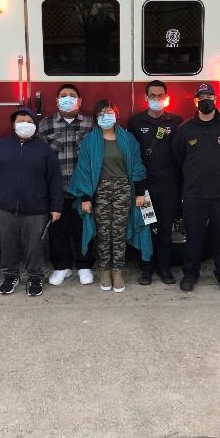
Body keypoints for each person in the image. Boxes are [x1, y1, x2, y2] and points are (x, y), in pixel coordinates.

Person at [68, 100, 152, 293]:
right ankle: (105, 270)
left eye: (109, 112)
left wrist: (139, 193)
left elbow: (138, 166)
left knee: (119, 232)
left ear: (116, 114)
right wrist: (86, 198)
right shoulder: (90, 140)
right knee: (104, 233)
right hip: (101, 191)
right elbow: (84, 170)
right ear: (97, 118)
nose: (106, 116)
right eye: (102, 113)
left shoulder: (128, 139)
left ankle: (118, 270)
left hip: (124, 189)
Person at [0, 107, 63, 297]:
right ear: (13, 124)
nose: (24, 125)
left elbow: (54, 180)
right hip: (4, 208)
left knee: (34, 245)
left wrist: (56, 206)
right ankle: (10, 276)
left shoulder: (44, 150)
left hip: (36, 209)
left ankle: (35, 277)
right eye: (20, 121)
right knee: (7, 244)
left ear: (35, 125)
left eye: (29, 121)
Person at [172, 83, 220, 293]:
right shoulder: (185, 129)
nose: (205, 100)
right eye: (201, 97)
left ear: (215, 99)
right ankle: (190, 274)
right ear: (195, 101)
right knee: (194, 238)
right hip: (195, 194)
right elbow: (178, 158)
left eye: (209, 96)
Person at [38, 84, 96, 286]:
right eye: (63, 96)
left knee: (84, 228)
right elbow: (40, 160)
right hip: (57, 189)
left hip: (83, 190)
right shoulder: (45, 125)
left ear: (80, 101)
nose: (68, 99)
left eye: (72, 96)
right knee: (58, 230)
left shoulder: (91, 124)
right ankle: (62, 266)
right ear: (56, 101)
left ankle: (84, 265)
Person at [127, 80, 183, 285]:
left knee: (166, 228)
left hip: (169, 186)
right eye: (153, 96)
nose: (157, 99)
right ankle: (146, 268)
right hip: (146, 187)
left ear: (167, 97)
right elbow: (131, 156)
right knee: (147, 227)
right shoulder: (135, 122)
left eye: (161, 96)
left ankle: (164, 268)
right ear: (146, 97)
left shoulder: (176, 122)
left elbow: (181, 154)